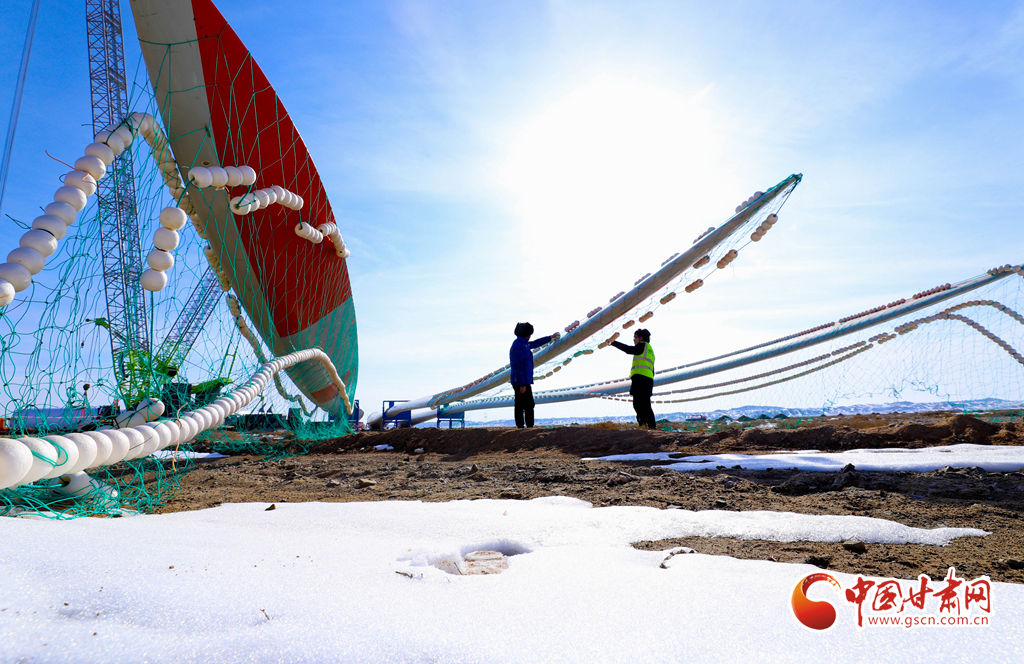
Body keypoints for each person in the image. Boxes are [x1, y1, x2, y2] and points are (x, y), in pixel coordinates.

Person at [509, 322, 559, 428]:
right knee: (524, 404)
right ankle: (525, 427)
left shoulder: (522, 343)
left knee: (527, 404)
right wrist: (522, 384)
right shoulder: (520, 346)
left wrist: (550, 338)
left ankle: (526, 426)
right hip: (521, 381)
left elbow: (535, 343)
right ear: (527, 334)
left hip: (523, 380)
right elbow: (517, 367)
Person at [611, 328, 656, 429]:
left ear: (641, 338)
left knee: (638, 404)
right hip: (648, 379)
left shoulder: (642, 345)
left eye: (635, 337)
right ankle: (649, 426)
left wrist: (613, 343)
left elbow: (629, 350)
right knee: (645, 404)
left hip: (640, 378)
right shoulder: (650, 350)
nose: (634, 339)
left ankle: (645, 425)